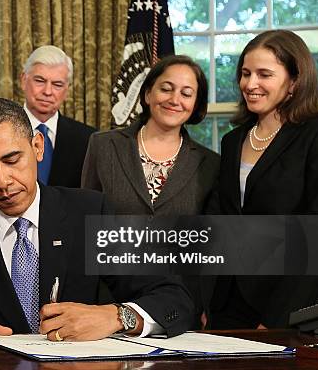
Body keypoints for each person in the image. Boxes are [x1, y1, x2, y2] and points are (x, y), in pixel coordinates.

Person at [0, 98, 194, 341]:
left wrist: (116, 317)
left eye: (12, 160)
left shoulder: (90, 213)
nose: (2, 182)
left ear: (37, 146)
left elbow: (174, 299)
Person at [209, 30, 318, 329]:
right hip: (229, 305)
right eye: (245, 73)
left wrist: (279, 317)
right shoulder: (232, 141)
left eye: (264, 74)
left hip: (293, 306)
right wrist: (209, 302)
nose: (250, 84)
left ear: (294, 81)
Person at [81, 55, 220, 327]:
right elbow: (87, 226)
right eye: (166, 88)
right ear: (147, 93)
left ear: (196, 104)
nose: (174, 99)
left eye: (186, 93)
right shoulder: (103, 146)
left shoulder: (211, 163)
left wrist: (203, 304)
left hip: (177, 303)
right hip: (107, 302)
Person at [21, 45, 96, 188]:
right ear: (24, 80)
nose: (48, 91)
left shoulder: (88, 139)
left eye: (57, 84)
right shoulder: (2, 132)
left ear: (67, 90)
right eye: (40, 81)